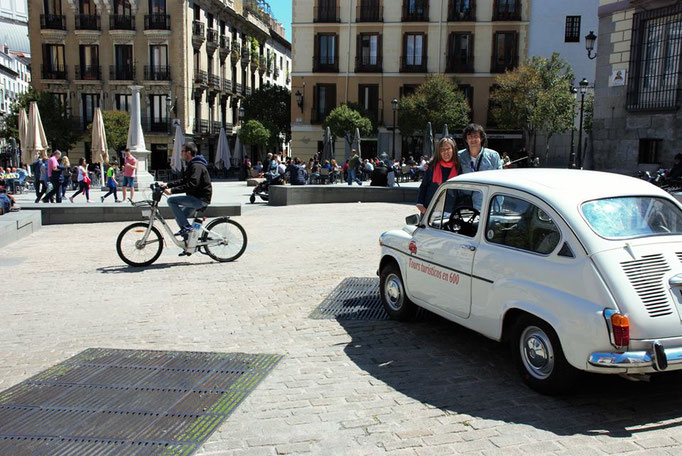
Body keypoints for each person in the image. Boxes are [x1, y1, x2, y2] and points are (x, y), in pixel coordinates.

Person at [162, 142, 212, 237]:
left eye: (182, 151)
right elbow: (184, 180)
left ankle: (187, 229)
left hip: (200, 199)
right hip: (195, 197)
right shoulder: (192, 165)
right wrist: (167, 185)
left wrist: (172, 191)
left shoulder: (197, 166)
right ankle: (188, 242)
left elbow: (192, 184)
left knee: (171, 201)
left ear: (188, 152)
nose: (181, 153)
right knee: (180, 217)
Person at [417, 137, 460, 214]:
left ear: (453, 150)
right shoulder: (431, 167)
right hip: (429, 211)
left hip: (450, 212)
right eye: (442, 150)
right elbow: (423, 186)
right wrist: (420, 205)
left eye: (448, 149)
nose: (445, 152)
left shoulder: (459, 168)